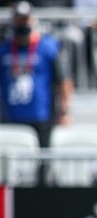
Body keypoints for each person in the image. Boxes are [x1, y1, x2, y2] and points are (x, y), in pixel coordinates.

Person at [0, 1, 74, 186]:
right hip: (11, 116)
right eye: (19, 20)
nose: (22, 24)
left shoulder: (48, 47)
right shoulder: (4, 50)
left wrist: (64, 111)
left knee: (43, 165)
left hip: (42, 117)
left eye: (25, 20)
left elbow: (63, 81)